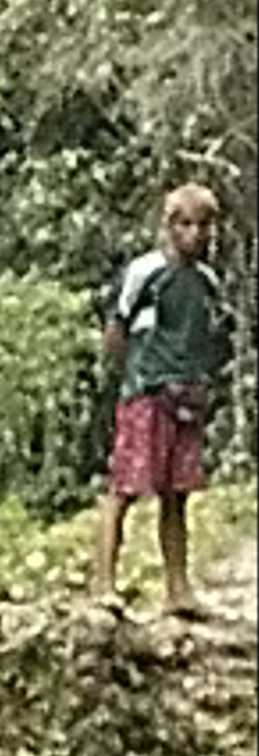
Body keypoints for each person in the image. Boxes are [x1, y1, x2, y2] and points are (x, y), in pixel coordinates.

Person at [97, 180, 227, 627]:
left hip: (187, 399)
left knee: (178, 496)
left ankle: (178, 589)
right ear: (169, 227)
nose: (197, 234)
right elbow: (116, 331)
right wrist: (134, 380)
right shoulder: (147, 273)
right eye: (187, 224)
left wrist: (202, 385)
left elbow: (206, 337)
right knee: (125, 489)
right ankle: (104, 583)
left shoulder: (207, 281)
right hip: (147, 396)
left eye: (205, 225)